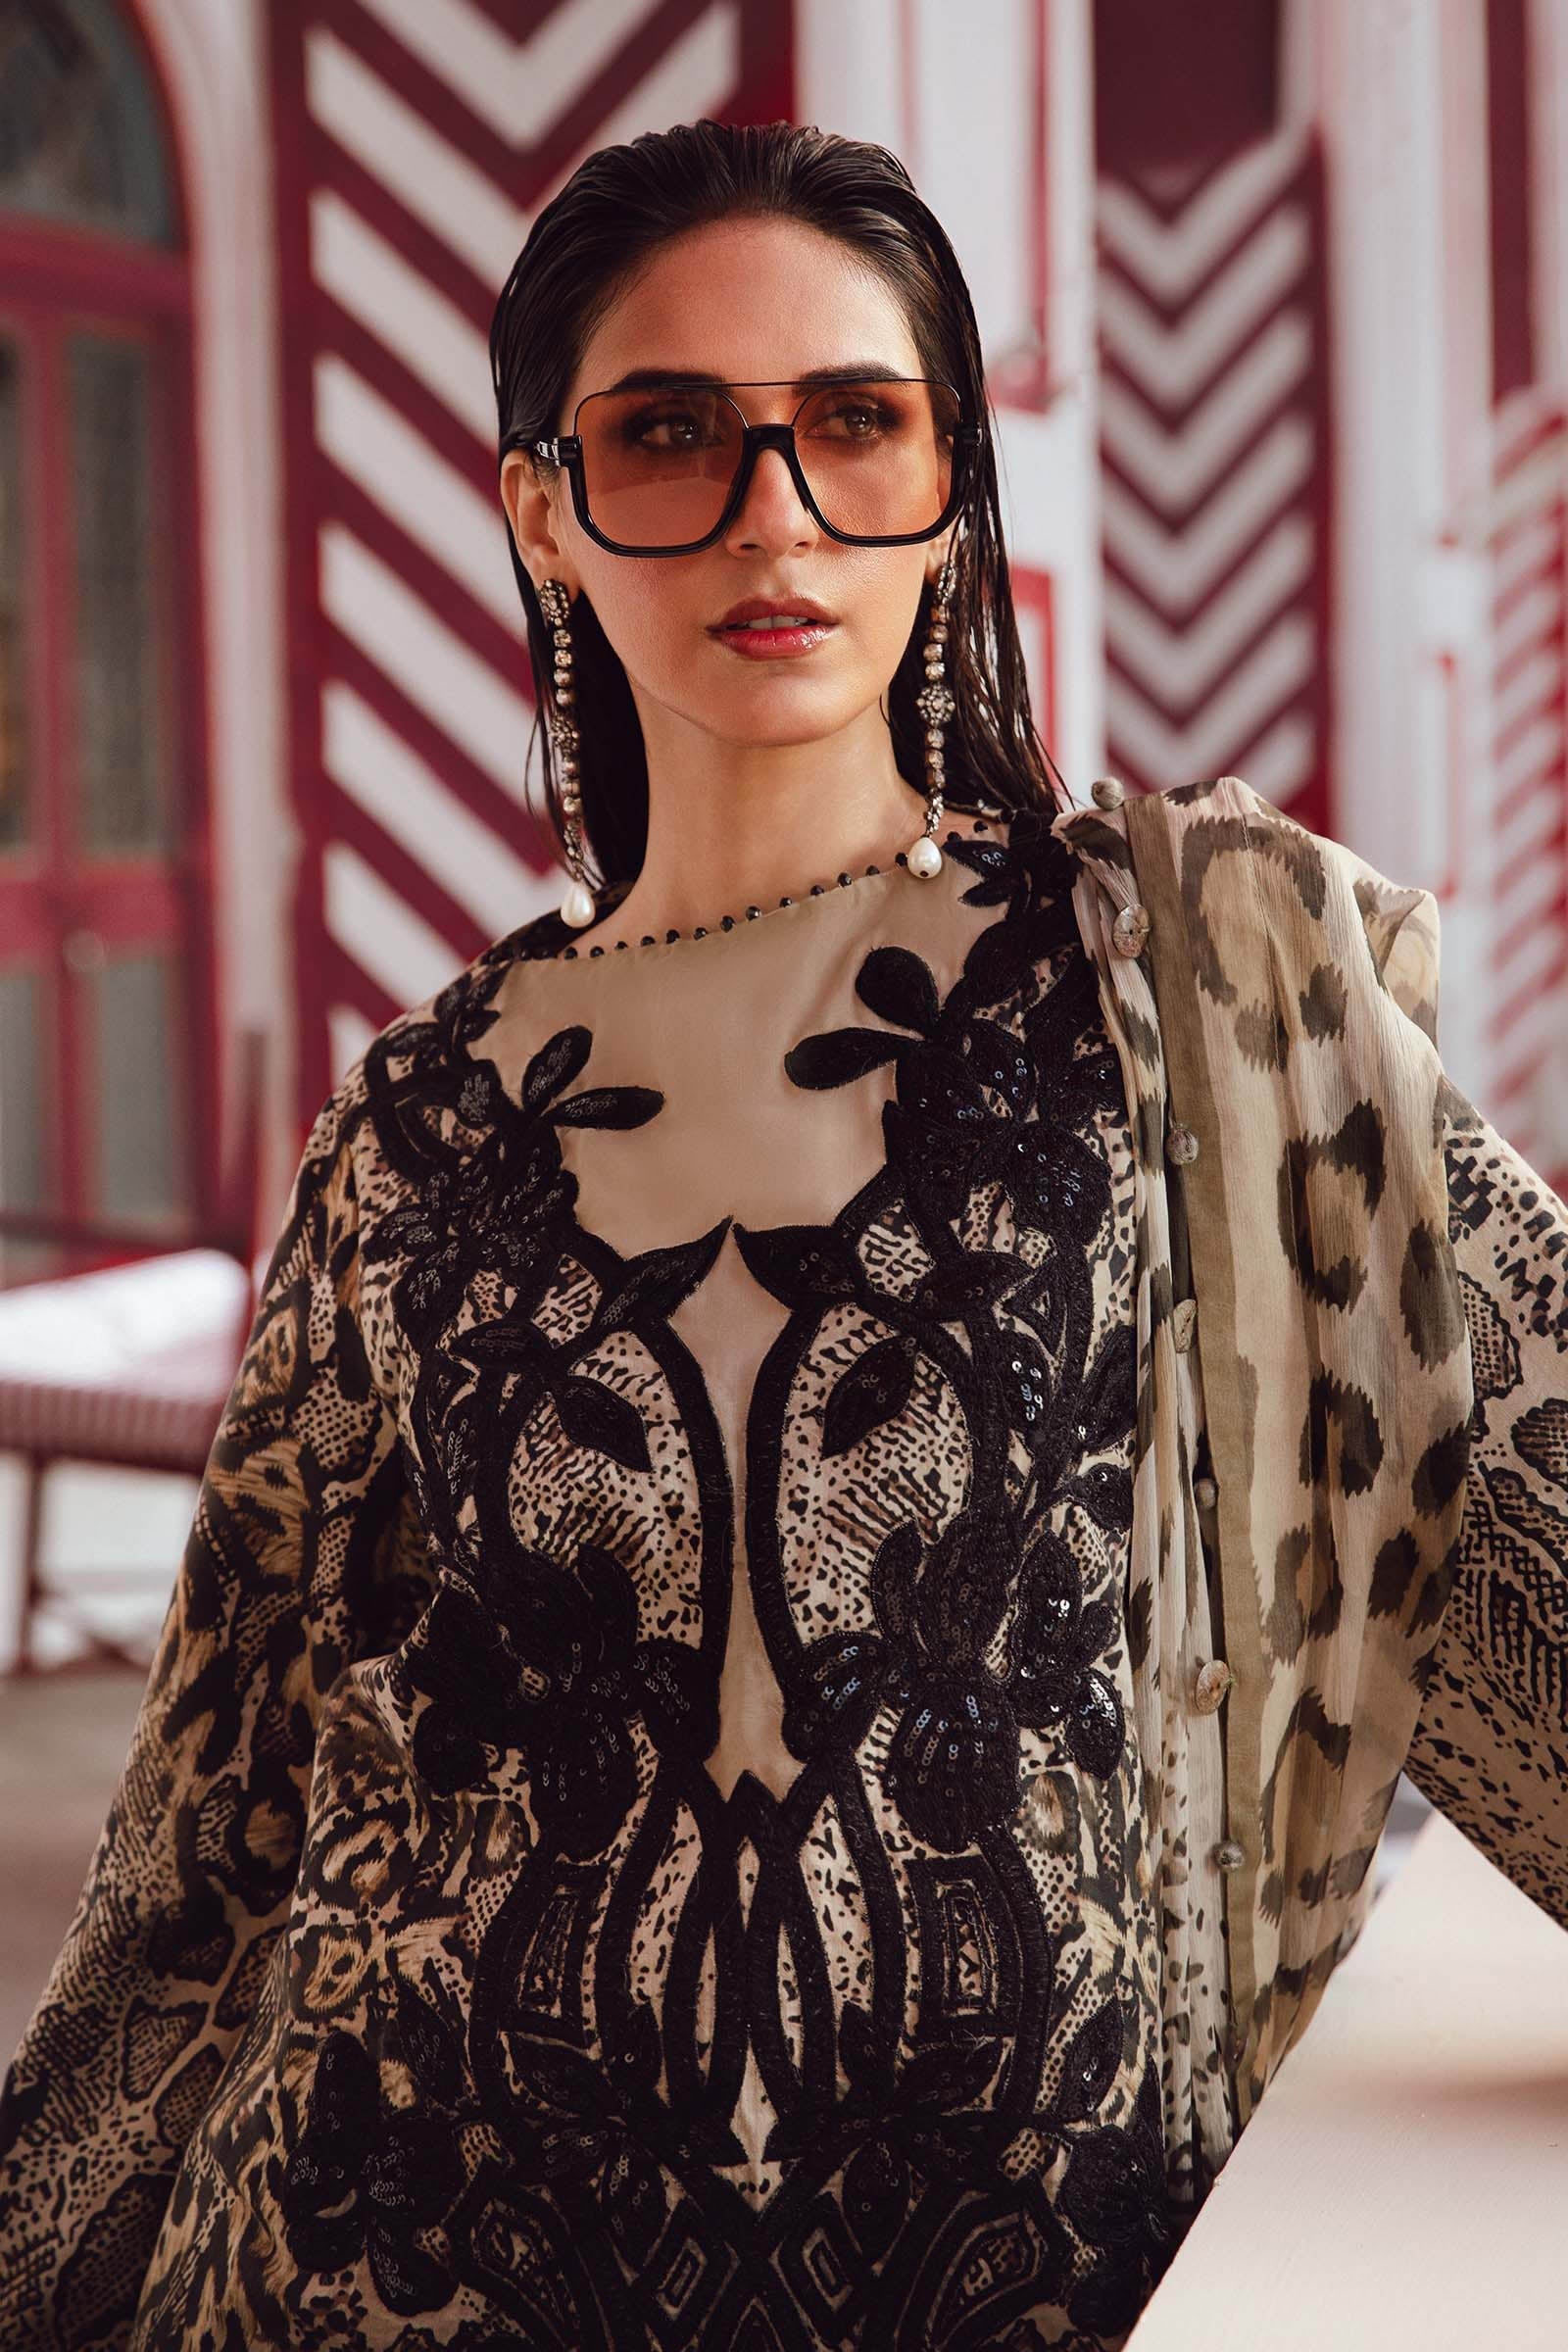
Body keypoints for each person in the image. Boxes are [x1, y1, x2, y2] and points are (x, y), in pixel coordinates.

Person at [1, 116, 1563, 2352]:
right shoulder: (422, 1123)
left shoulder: (1186, 995)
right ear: (542, 507)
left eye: (852, 426)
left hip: (1025, 2286)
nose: (772, 513)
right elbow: (215, 1833)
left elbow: (1540, 1498)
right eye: (668, 437)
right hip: (396, 2268)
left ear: (951, 486)